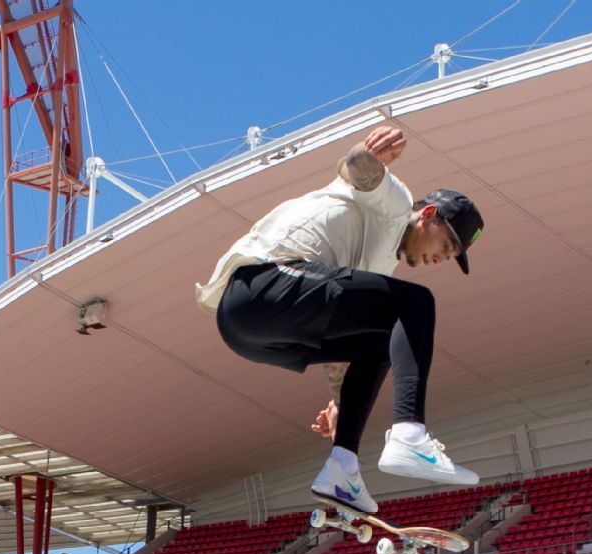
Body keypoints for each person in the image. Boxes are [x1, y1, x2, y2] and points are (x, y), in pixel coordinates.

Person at [197, 125, 485, 514]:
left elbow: (339, 338)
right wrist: (371, 153)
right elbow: (357, 168)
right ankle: (410, 432)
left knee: (384, 338)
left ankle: (342, 467)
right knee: (417, 304)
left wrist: (340, 405)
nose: (442, 257)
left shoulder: (378, 262)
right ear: (429, 215)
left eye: (451, 255)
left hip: (251, 332)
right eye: (447, 244)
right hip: (261, 284)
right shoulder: (396, 205)